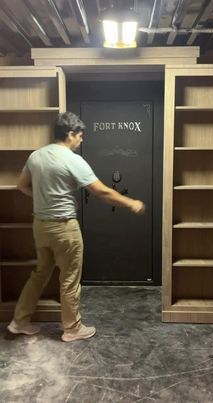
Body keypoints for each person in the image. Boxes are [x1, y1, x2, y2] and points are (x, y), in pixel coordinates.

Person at [7, 112, 145, 342]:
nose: (81, 140)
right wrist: (131, 202)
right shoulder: (71, 159)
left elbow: (22, 186)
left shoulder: (36, 156)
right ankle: (72, 329)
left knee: (39, 274)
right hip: (64, 228)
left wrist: (43, 200)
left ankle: (18, 322)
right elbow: (101, 191)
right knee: (70, 278)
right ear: (70, 134)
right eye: (80, 136)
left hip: (40, 226)